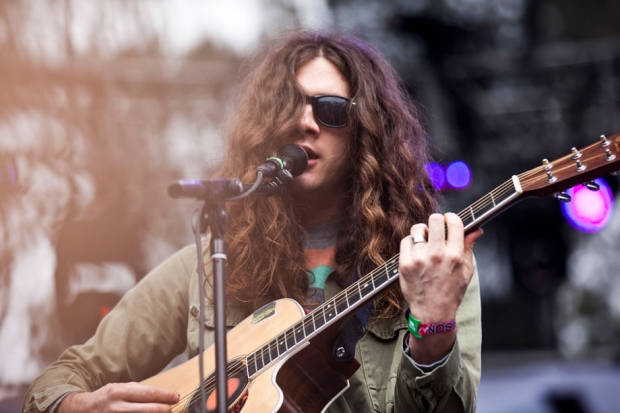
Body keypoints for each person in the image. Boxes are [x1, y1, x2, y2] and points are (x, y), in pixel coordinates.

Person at [23, 29, 483, 413]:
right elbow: (58, 379)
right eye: (288, 105)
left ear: (366, 131)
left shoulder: (433, 264)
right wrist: (74, 405)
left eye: (330, 109)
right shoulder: (207, 266)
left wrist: (433, 325)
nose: (305, 123)